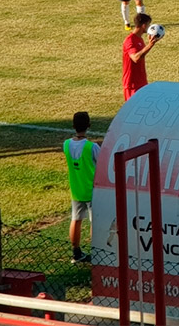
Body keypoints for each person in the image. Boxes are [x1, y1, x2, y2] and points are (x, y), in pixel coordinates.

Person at [65, 111, 100, 264]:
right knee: (95, 222)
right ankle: (96, 252)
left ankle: (76, 252)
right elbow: (102, 163)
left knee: (76, 220)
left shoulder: (66, 144)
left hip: (76, 189)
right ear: (89, 125)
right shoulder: (91, 147)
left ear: (73, 126)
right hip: (92, 190)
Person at [122, 13, 159, 101]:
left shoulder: (140, 39)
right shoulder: (130, 40)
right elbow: (135, 58)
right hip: (132, 84)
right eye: (148, 25)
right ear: (144, 25)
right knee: (133, 111)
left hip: (141, 81)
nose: (149, 27)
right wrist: (150, 45)